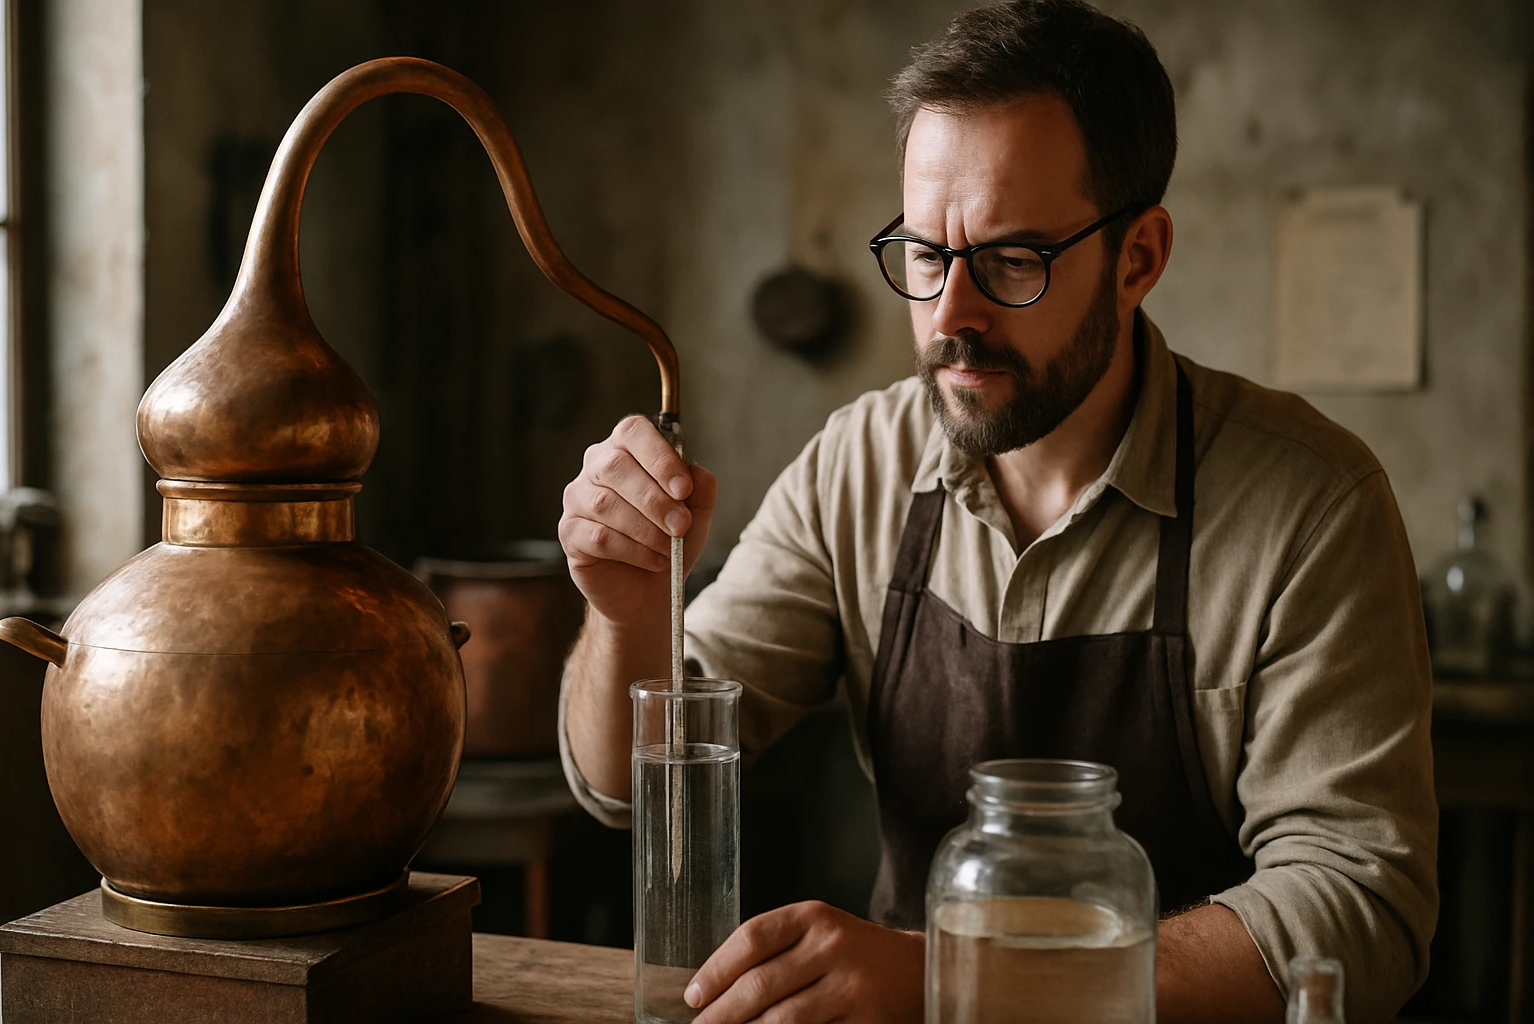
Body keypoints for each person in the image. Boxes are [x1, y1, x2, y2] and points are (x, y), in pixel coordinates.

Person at [556, 1, 1438, 1021]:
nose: (950, 319)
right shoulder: (860, 464)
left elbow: (1360, 909)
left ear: (1139, 259)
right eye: (926, 256)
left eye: (1013, 261)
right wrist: (625, 616)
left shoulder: (1312, 505)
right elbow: (626, 786)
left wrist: (946, 982)